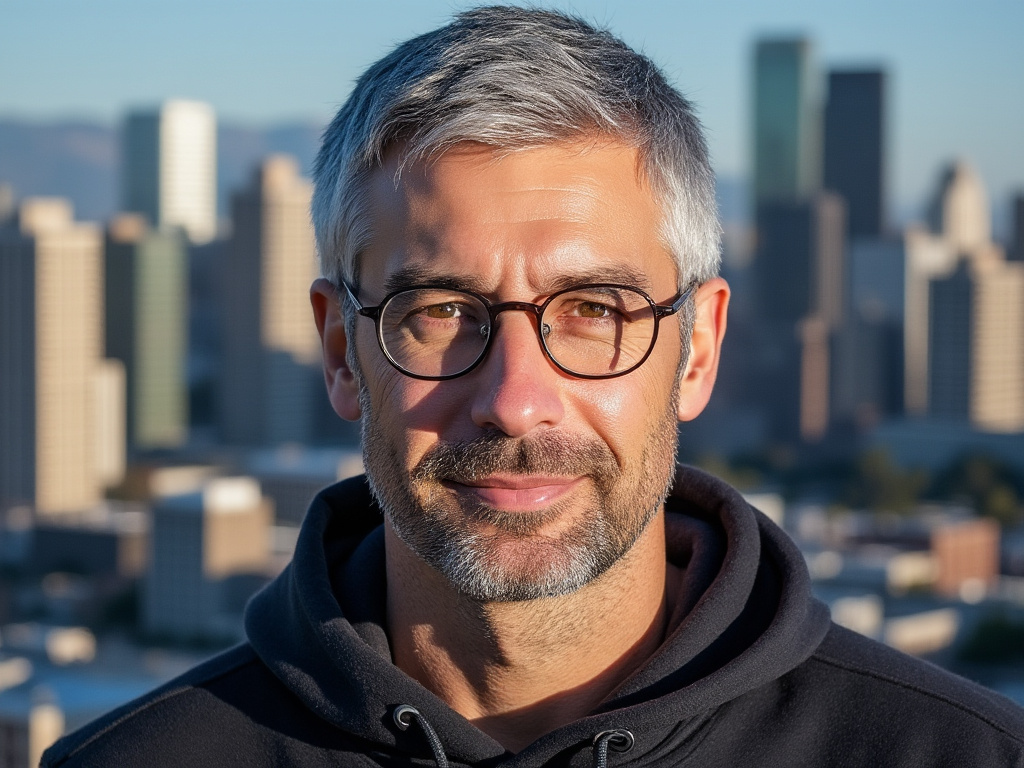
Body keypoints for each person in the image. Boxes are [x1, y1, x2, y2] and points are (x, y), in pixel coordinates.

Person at [43, 7, 1024, 767]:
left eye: (594, 310)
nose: (515, 398)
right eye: (438, 311)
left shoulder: (957, 755)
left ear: (697, 347)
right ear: (342, 351)